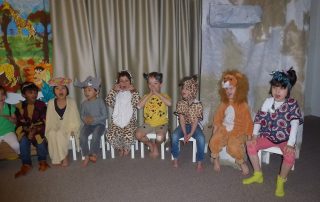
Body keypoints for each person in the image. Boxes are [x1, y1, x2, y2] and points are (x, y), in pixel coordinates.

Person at [243, 68, 303, 197]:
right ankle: (258, 174)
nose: (277, 91)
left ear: (288, 89)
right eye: (275, 87)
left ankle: (281, 180)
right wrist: (254, 136)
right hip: (268, 136)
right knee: (250, 144)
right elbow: (259, 120)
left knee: (290, 155)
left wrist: (291, 144)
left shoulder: (292, 104)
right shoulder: (268, 101)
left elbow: (295, 125)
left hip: (285, 139)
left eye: (282, 88)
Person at [209, 70, 253, 175]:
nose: (229, 91)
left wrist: (249, 137)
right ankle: (216, 160)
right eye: (227, 89)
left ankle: (241, 163)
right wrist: (216, 130)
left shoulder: (243, 105)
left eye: (231, 88)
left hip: (238, 131)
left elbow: (248, 122)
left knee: (233, 146)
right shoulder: (224, 103)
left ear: (239, 89)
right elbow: (218, 117)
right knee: (214, 141)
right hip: (224, 128)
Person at [14, 82, 49, 178]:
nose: (34, 94)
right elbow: (19, 121)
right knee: (23, 141)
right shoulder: (19, 106)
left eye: (35, 92)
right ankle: (26, 164)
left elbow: (44, 120)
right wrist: (27, 131)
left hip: (38, 129)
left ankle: (43, 161)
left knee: (40, 139)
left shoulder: (41, 105)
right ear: (23, 94)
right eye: (30, 92)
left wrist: (34, 130)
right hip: (25, 129)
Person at [171, 75, 205, 171]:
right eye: (183, 88)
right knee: (174, 136)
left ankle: (199, 162)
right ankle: (175, 158)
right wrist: (185, 133)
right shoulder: (180, 103)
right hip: (183, 125)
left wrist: (190, 134)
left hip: (194, 126)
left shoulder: (198, 105)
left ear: (193, 90)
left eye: (186, 88)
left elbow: (195, 122)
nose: (183, 91)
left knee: (201, 138)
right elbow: (181, 119)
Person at [45, 77, 81, 167]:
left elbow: (75, 118)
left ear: (67, 90)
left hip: (68, 126)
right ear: (54, 91)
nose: (60, 91)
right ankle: (56, 158)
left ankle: (64, 157)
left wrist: (73, 129)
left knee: (60, 133)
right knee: (52, 133)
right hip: (55, 126)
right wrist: (51, 128)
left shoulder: (71, 102)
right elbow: (49, 120)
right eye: (57, 88)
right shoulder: (50, 103)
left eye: (63, 88)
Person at [135, 72, 172, 158]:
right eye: (150, 83)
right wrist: (150, 94)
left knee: (159, 138)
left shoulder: (164, 95)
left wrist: (157, 94)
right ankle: (151, 144)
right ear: (148, 85)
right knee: (138, 135)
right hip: (148, 123)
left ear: (160, 84)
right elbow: (139, 106)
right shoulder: (146, 96)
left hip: (161, 123)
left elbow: (169, 103)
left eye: (155, 83)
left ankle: (156, 146)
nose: (153, 86)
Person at [74, 76, 108, 167]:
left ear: (96, 91)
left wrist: (94, 119)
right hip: (88, 125)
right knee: (82, 136)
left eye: (89, 90)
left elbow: (105, 115)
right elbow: (82, 115)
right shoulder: (84, 104)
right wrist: (85, 119)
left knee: (96, 134)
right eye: (85, 90)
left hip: (99, 124)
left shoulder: (100, 101)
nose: (86, 92)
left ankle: (93, 153)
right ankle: (86, 155)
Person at [106, 70, 140, 157]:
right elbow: (109, 101)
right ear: (118, 83)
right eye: (121, 81)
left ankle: (127, 147)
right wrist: (113, 90)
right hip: (116, 122)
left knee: (128, 136)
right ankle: (119, 147)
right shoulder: (116, 93)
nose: (124, 83)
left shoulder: (133, 93)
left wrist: (134, 91)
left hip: (130, 122)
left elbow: (137, 103)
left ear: (130, 82)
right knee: (110, 136)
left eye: (126, 81)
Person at [0, 86, 19, 157]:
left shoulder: (9, 107)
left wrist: (7, 117)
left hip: (8, 131)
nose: (1, 97)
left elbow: (15, 121)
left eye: (2, 94)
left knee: (16, 145)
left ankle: (20, 154)